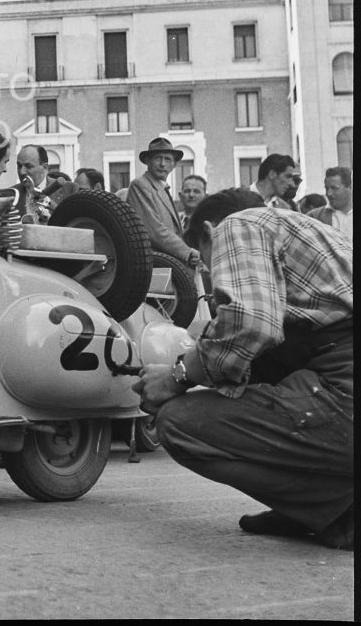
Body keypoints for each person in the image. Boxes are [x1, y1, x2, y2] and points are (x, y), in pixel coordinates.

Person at [134, 188, 353, 551]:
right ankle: (315, 507)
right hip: (336, 369)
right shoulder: (312, 231)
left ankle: (333, 507)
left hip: (343, 383)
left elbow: (251, 323)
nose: (210, 270)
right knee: (260, 364)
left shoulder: (237, 225)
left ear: (208, 231)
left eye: (205, 260)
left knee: (179, 424)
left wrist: (177, 378)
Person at [126, 137, 201, 268]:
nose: (162, 164)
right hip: (152, 266)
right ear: (148, 162)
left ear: (174, 164)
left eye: (167, 159)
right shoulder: (140, 185)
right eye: (157, 158)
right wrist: (187, 252)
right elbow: (155, 230)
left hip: (169, 265)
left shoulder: (162, 188)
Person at [308, 167, 353, 243]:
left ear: (349, 187)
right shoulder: (314, 217)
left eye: (334, 188)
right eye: (326, 188)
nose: (329, 193)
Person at [15, 143, 55, 221]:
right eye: (19, 166)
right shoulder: (10, 195)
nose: (22, 172)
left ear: (45, 168)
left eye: (28, 166)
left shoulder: (66, 191)